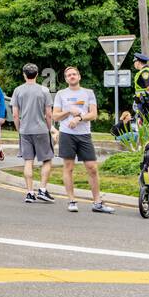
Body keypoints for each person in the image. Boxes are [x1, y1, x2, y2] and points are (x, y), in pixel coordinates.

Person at [52, 66, 114, 214]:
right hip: (67, 134)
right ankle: (72, 201)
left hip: (84, 135)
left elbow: (93, 115)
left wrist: (79, 118)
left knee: (92, 167)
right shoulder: (61, 94)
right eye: (68, 75)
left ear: (79, 77)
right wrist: (68, 112)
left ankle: (97, 202)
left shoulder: (88, 93)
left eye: (74, 74)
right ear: (66, 79)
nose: (71, 77)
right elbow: (55, 116)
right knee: (68, 167)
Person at [10, 63, 55, 204]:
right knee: (47, 160)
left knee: (28, 161)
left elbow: (15, 115)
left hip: (25, 130)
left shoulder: (18, 90)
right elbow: (48, 114)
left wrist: (19, 129)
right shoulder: (44, 90)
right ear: (37, 74)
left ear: (24, 74)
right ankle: (42, 189)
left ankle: (29, 193)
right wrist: (50, 128)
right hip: (41, 129)